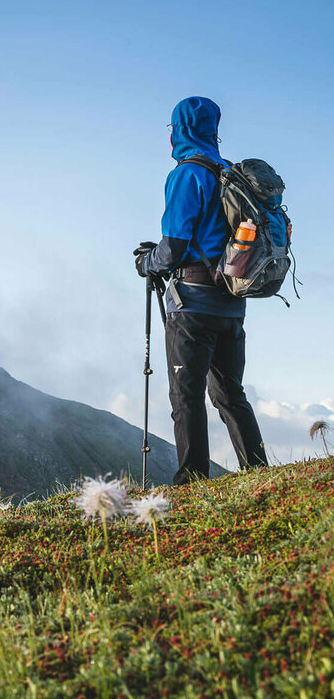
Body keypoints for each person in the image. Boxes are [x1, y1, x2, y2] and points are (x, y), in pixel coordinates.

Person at [133, 95, 267, 486]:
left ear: (180, 129)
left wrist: (146, 262)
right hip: (232, 302)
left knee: (186, 396)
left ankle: (191, 480)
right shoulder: (232, 175)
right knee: (230, 394)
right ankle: (259, 471)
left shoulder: (187, 174)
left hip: (192, 305)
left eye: (172, 127)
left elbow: (173, 246)